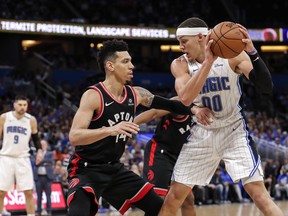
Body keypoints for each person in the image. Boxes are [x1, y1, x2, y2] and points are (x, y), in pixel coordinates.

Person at [158, 17, 284, 216]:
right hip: (202, 133)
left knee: (259, 195)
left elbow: (266, 87)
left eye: (184, 41)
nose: (180, 46)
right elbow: (185, 98)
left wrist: (252, 52)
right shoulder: (180, 64)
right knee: (174, 197)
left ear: (200, 37)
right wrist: (208, 64)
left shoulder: (233, 55)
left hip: (233, 131)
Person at [66, 39, 195, 216]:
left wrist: (198, 106)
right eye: (126, 62)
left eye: (131, 61)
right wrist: (110, 130)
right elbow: (74, 136)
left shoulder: (136, 94)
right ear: (110, 66)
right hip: (86, 170)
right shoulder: (93, 95)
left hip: (114, 170)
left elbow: (173, 106)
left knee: (161, 209)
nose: (132, 66)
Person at [134, 98, 212, 216]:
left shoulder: (200, 106)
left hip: (180, 156)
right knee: (159, 198)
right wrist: (131, 123)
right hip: (160, 152)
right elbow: (153, 113)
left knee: (188, 199)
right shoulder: (176, 101)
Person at [0, 95, 43, 216]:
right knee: (1, 192)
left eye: (25, 105)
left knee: (28, 192)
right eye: (20, 105)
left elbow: (36, 138)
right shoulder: (4, 117)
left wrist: (39, 150)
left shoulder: (31, 120)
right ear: (14, 105)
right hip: (6, 157)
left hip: (23, 158)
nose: (22, 107)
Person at [34, 139, 54, 216]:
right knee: (39, 196)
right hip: (38, 177)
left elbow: (50, 162)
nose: (42, 146)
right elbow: (35, 163)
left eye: (44, 144)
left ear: (46, 146)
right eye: (41, 145)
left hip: (47, 177)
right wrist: (44, 162)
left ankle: (49, 211)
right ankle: (38, 211)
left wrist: (40, 161)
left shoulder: (50, 153)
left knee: (48, 195)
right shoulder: (36, 154)